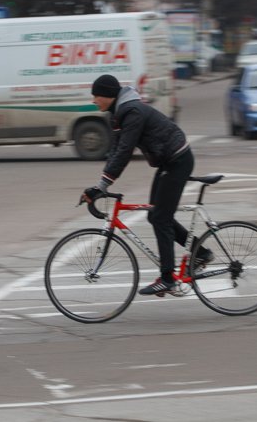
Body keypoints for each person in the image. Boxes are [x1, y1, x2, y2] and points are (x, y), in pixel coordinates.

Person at [81, 74, 213, 296]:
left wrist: (103, 185)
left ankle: (167, 279)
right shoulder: (119, 113)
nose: (93, 100)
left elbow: (125, 151)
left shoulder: (132, 112)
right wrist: (99, 186)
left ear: (108, 95)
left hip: (178, 160)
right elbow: (115, 150)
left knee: (161, 218)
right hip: (168, 162)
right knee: (155, 215)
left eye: (96, 95)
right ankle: (201, 253)